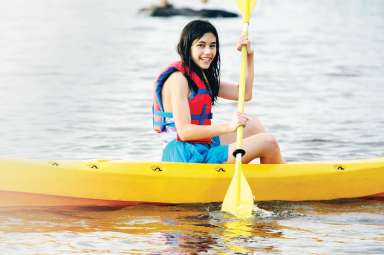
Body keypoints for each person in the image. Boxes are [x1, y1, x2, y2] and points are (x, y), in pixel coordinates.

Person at [153, 20, 284, 164]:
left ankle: (270, 175)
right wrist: (228, 126)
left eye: (212, 46)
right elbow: (184, 132)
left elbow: (244, 94)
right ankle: (281, 182)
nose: (208, 52)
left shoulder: (201, 77)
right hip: (186, 156)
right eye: (201, 45)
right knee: (269, 143)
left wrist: (249, 55)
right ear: (187, 48)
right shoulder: (178, 80)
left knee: (253, 125)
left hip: (200, 146)